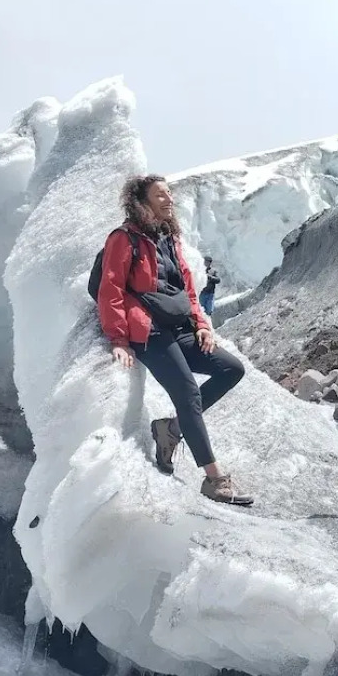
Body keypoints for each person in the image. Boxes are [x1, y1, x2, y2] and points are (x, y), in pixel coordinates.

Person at [97, 174, 253, 506]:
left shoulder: (168, 237)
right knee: (187, 392)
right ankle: (214, 479)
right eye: (160, 195)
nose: (169, 200)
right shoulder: (124, 239)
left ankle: (171, 429)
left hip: (179, 326)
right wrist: (119, 340)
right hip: (148, 331)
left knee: (231, 369)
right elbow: (109, 289)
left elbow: (185, 287)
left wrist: (201, 325)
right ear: (141, 201)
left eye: (169, 194)